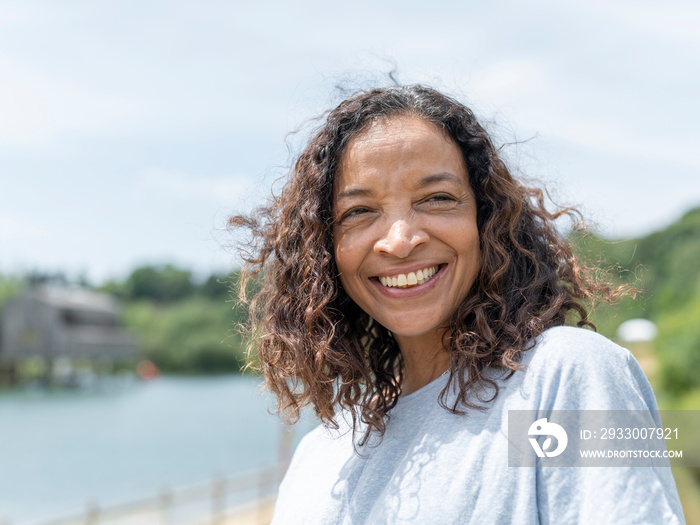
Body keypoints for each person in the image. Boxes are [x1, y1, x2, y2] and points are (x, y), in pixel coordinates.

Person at [230, 85, 685, 524]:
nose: (400, 240)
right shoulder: (322, 450)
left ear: (485, 218)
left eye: (437, 199)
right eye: (360, 211)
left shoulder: (566, 378)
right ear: (327, 249)